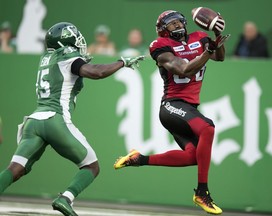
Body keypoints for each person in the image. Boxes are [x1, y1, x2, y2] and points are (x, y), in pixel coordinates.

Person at [0, 22, 144, 216]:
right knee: (91, 166)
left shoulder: (47, 57)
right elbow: (96, 72)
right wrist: (121, 62)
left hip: (33, 122)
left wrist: (80, 63)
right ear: (67, 39)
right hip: (54, 120)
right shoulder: (68, 55)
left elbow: (69, 73)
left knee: (15, 168)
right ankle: (65, 198)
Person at [114, 10, 230, 215]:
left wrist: (217, 40)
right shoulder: (159, 46)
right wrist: (206, 52)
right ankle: (202, 192)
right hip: (171, 106)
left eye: (179, 22)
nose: (177, 25)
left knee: (193, 156)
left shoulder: (199, 37)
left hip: (189, 109)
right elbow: (184, 69)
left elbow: (219, 58)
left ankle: (139, 159)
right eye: (171, 24)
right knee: (208, 128)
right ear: (162, 30)